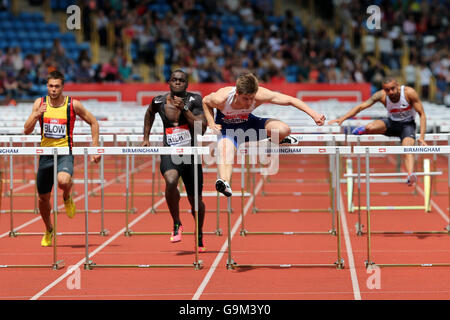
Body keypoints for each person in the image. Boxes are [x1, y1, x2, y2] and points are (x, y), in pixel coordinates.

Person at [202, 72, 326, 196]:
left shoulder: (261, 94)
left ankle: (276, 140)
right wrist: (211, 122)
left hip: (249, 124)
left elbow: (290, 100)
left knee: (284, 130)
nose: (249, 102)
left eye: (252, 98)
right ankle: (225, 183)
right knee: (224, 150)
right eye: (246, 98)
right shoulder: (221, 98)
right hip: (228, 131)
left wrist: (314, 114)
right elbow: (205, 102)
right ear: (237, 93)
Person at [23, 70, 100, 247]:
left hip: (65, 153)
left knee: (63, 180)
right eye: (50, 86)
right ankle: (49, 229)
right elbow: (26, 130)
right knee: (43, 199)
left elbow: (93, 122)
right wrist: (36, 115)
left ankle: (66, 196)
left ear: (63, 87)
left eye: (57, 86)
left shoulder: (73, 105)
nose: (53, 89)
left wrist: (95, 147)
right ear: (47, 86)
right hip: (45, 155)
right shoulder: (39, 103)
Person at [142, 69, 208, 252]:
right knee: (171, 181)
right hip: (170, 152)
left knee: (195, 200)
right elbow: (149, 114)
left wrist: (184, 109)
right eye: (174, 80)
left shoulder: (195, 100)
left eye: (181, 80)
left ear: (187, 84)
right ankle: (177, 223)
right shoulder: (159, 101)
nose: (177, 83)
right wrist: (146, 137)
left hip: (191, 154)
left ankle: (200, 232)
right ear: (169, 83)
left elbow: (202, 129)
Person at [328, 77, 427, 186]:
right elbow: (362, 106)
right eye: (387, 90)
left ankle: (410, 174)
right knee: (370, 127)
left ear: (398, 86)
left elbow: (422, 114)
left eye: (393, 89)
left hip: (407, 125)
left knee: (407, 148)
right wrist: (343, 118)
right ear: (384, 90)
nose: (391, 92)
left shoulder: (409, 93)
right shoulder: (381, 95)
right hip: (392, 124)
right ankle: (365, 130)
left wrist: (422, 137)